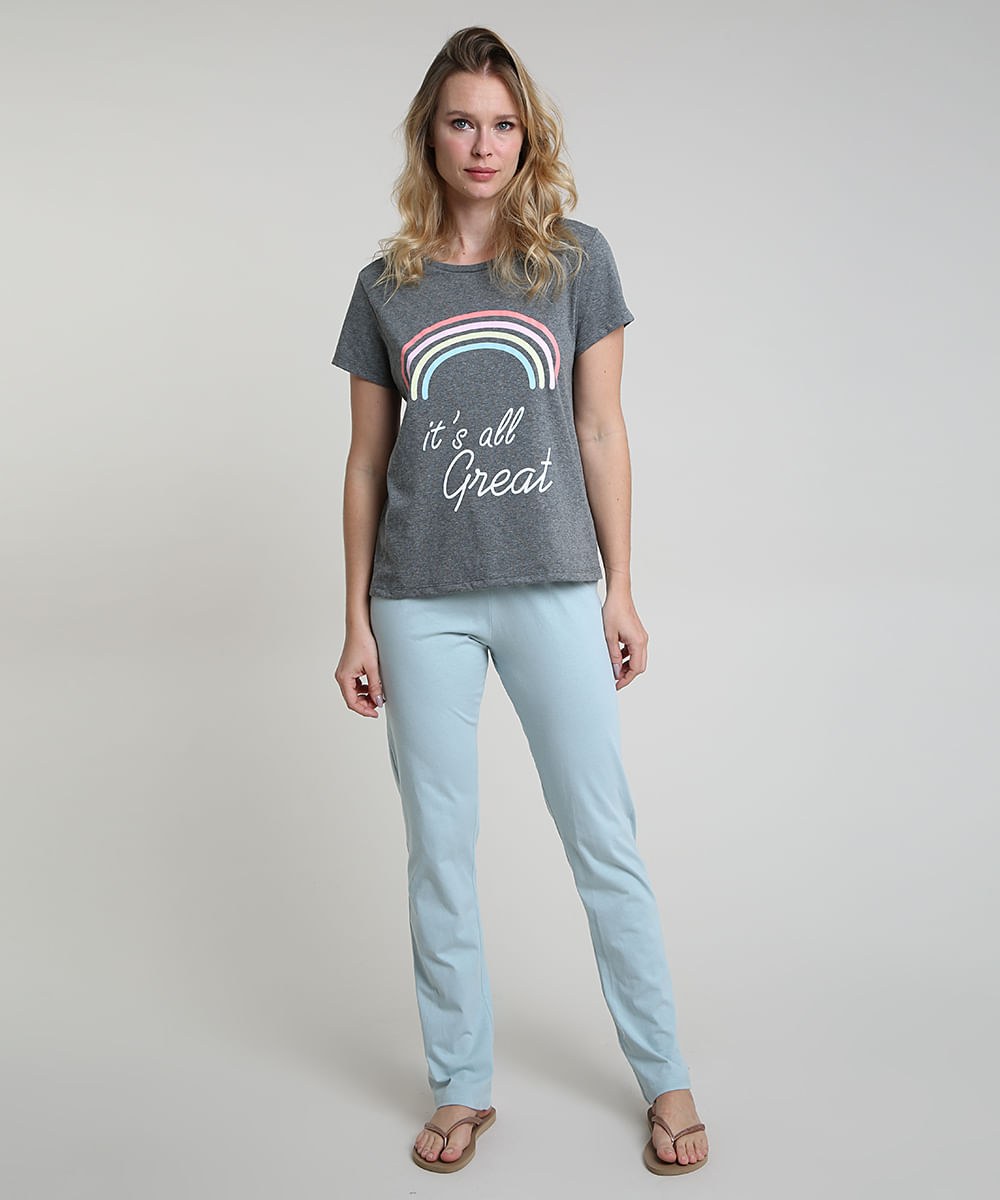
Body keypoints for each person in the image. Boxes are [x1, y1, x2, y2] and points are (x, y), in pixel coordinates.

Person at [331, 27, 709, 1176]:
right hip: (419, 603)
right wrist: (354, 620)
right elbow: (365, 464)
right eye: (462, 121)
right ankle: (461, 1083)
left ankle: (666, 1076)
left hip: (552, 587)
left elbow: (599, 429)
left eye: (502, 123)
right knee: (439, 851)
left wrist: (621, 588)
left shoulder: (575, 263)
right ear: (430, 136)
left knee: (603, 837)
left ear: (527, 137)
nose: (482, 144)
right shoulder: (386, 287)